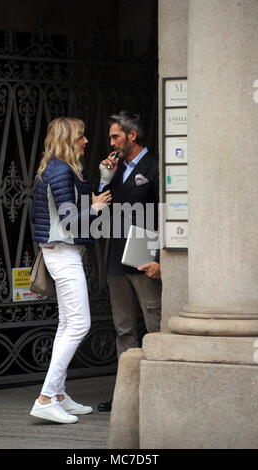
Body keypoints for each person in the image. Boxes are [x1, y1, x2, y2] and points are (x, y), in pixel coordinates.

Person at [30, 117, 111, 424]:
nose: (86, 141)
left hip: (59, 251)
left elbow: (72, 204)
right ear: (69, 138)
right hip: (63, 251)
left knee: (67, 324)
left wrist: (103, 178)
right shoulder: (62, 170)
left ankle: (59, 394)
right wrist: (95, 209)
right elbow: (70, 219)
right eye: (82, 136)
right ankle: (47, 397)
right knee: (79, 324)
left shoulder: (57, 168)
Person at [97, 111, 162, 412]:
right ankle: (127, 393)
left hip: (143, 254)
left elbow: (166, 213)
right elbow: (99, 209)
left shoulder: (155, 165)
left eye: (115, 136)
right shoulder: (116, 167)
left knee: (154, 324)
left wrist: (161, 258)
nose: (111, 142)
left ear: (132, 135)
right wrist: (104, 179)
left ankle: (159, 390)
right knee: (123, 328)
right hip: (116, 257)